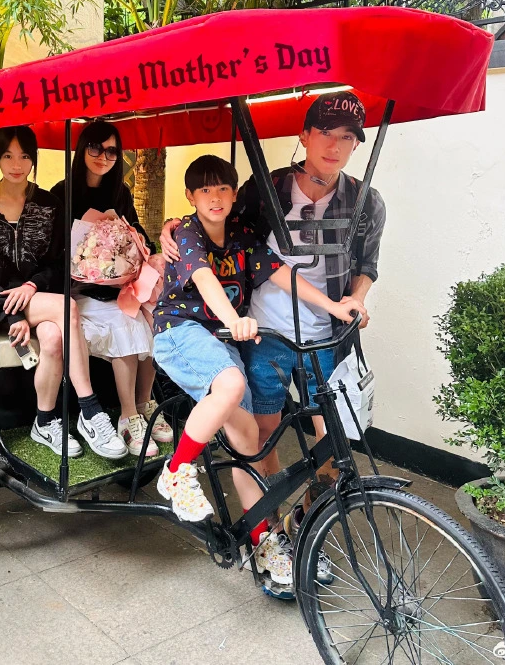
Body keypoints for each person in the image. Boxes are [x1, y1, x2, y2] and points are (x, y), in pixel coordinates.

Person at [161, 92, 386, 533]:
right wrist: (174, 227)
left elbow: (364, 265)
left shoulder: (366, 201)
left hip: (326, 335)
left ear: (357, 144)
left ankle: (310, 524)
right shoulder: (267, 190)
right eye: (325, 132)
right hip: (263, 332)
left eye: (346, 137)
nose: (334, 145)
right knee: (262, 433)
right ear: (304, 136)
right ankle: (271, 526)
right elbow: (214, 230)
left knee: (332, 437)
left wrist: (351, 301)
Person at [153, 154, 361, 590]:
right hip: (181, 331)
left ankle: (261, 540)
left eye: (223, 188)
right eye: (205, 190)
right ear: (190, 196)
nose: (215, 197)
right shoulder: (187, 233)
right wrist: (233, 319)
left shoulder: (242, 234)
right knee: (231, 384)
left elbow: (282, 273)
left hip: (223, 341)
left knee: (249, 441)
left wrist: (333, 306)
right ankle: (176, 470)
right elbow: (205, 279)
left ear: (234, 193)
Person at [0, 125, 127, 460]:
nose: (16, 165)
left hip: (41, 297)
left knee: (52, 337)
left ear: (33, 159)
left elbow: (59, 263)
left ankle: (44, 421)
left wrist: (33, 284)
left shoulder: (49, 204)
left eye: (24, 156)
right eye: (8, 156)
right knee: (68, 308)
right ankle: (90, 410)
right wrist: (13, 313)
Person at [51, 120, 172, 458]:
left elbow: (136, 233)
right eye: (95, 147)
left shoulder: (120, 192)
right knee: (126, 322)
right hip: (78, 289)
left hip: (118, 286)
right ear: (82, 149)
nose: (103, 157)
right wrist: (88, 261)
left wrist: (138, 249)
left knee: (155, 314)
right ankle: (128, 417)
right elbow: (54, 250)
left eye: (111, 151)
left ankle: (144, 402)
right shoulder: (61, 194)